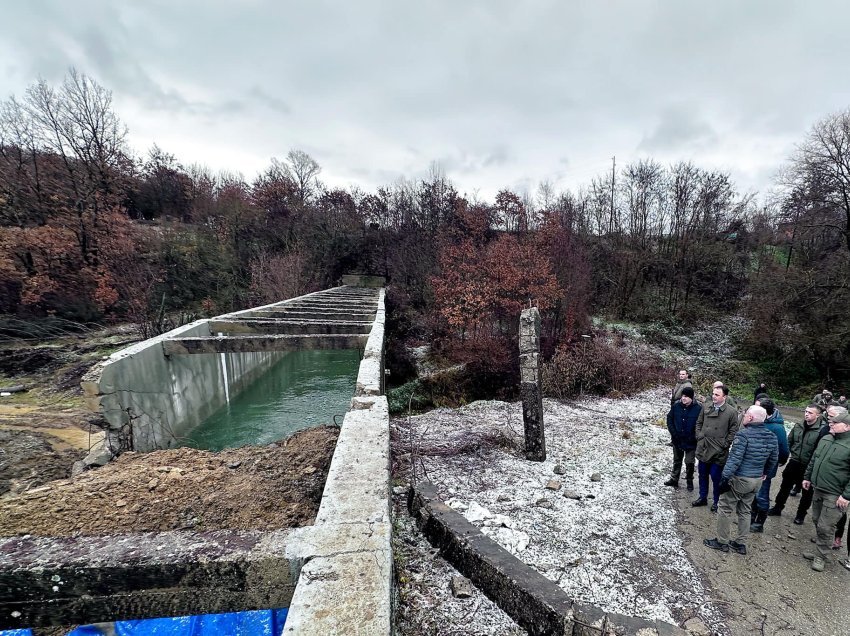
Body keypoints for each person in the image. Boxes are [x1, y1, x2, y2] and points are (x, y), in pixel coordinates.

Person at [704, 405, 778, 555]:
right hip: (756, 480)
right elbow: (774, 459)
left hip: (740, 479)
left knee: (725, 508)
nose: (743, 416)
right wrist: (765, 473)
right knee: (745, 510)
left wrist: (724, 478)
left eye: (745, 415)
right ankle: (740, 544)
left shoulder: (743, 435)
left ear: (750, 417)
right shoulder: (772, 436)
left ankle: (722, 541)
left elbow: (735, 460)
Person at [802, 406, 850, 572]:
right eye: (831, 421)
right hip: (818, 487)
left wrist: (846, 495)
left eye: (836, 422)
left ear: (847, 426)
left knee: (826, 526)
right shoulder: (826, 438)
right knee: (816, 520)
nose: (831, 424)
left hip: (835, 493)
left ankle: (822, 556)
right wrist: (807, 477)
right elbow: (814, 459)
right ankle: (819, 550)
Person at [767, 404, 825, 524]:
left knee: (806, 493)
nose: (806, 414)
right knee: (784, 486)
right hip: (794, 462)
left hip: (808, 465)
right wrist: (791, 453)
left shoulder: (821, 430)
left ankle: (800, 515)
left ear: (818, 415)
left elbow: (819, 450)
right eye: (806, 411)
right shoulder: (799, 425)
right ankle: (778, 507)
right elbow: (790, 441)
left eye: (810, 412)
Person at [694, 385, 739, 512]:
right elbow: (699, 422)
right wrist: (699, 436)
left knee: (715, 476)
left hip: (719, 450)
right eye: (713, 394)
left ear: (724, 397)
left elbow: (733, 430)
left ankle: (716, 501)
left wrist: (725, 444)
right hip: (704, 446)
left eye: (717, 395)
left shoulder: (731, 412)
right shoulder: (706, 406)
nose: (713, 396)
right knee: (702, 474)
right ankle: (702, 497)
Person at [750, 398, 789, 532]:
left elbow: (784, 449)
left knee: (762, 494)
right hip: (753, 465)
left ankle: (760, 523)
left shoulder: (777, 428)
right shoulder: (757, 422)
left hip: (766, 468)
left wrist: (780, 461)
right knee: (752, 493)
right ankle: (751, 517)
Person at [665, 386, 701, 490]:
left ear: (691, 398)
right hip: (678, 439)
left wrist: (695, 436)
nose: (683, 398)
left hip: (691, 441)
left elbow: (700, 423)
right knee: (677, 460)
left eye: (686, 396)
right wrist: (673, 433)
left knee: (689, 462)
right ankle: (674, 479)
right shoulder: (676, 406)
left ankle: (689, 480)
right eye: (682, 396)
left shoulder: (698, 408)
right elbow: (669, 419)